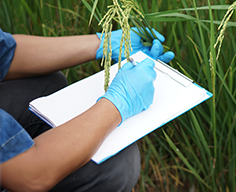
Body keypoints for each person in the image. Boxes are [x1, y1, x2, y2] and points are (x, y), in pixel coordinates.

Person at [0, 28, 174, 192]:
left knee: (48, 84)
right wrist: (118, 103)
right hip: (29, 172)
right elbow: (31, 174)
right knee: (115, 166)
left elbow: (5, 52)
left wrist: (102, 44)